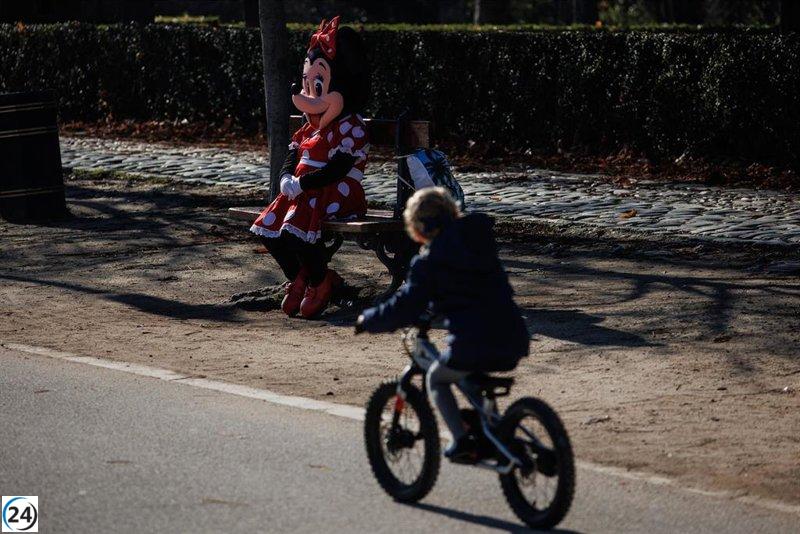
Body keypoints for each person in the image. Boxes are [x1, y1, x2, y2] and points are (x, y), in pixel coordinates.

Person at [356, 187, 530, 462]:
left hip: (474, 341)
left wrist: (370, 319)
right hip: (514, 334)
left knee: (436, 377)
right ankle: (494, 432)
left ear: (420, 227)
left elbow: (405, 305)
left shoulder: (430, 260)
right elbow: (470, 290)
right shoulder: (478, 241)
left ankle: (461, 441)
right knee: (471, 374)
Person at [250, 16, 370, 318]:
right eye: (308, 83)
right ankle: (308, 277)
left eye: (318, 85)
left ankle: (317, 281)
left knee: (294, 227)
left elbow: (339, 168)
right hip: (308, 192)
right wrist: (286, 176)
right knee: (269, 230)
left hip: (338, 192)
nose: (309, 95)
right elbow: (292, 156)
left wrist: (303, 184)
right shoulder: (309, 128)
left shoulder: (350, 128)